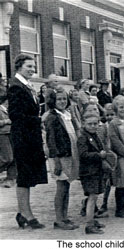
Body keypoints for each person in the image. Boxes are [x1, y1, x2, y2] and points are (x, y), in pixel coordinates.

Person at [8, 54, 48, 229]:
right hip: (23, 137)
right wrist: (39, 120)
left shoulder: (26, 85)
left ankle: (22, 212)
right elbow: (15, 115)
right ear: (19, 67)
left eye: (33, 67)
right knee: (24, 176)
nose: (32, 69)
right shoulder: (16, 87)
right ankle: (26, 214)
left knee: (28, 176)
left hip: (30, 136)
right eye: (29, 66)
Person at [45, 88, 79, 230]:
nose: (62, 101)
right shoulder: (52, 117)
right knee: (61, 187)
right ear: (53, 101)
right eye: (59, 99)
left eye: (64, 99)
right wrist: (57, 160)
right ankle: (59, 219)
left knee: (67, 186)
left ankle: (64, 217)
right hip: (59, 156)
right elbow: (51, 140)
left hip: (69, 154)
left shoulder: (67, 114)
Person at [77, 111, 107, 234]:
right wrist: (98, 155)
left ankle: (92, 219)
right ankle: (89, 224)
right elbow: (83, 154)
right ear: (84, 124)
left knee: (94, 196)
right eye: (90, 124)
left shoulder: (95, 135)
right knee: (92, 196)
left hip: (96, 170)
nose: (93, 126)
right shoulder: (83, 137)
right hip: (88, 172)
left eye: (95, 123)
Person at [0, 88, 16, 188]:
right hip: (3, 134)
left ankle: (10, 178)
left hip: (12, 134)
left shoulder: (10, 110)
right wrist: (6, 121)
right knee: (7, 158)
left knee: (14, 157)